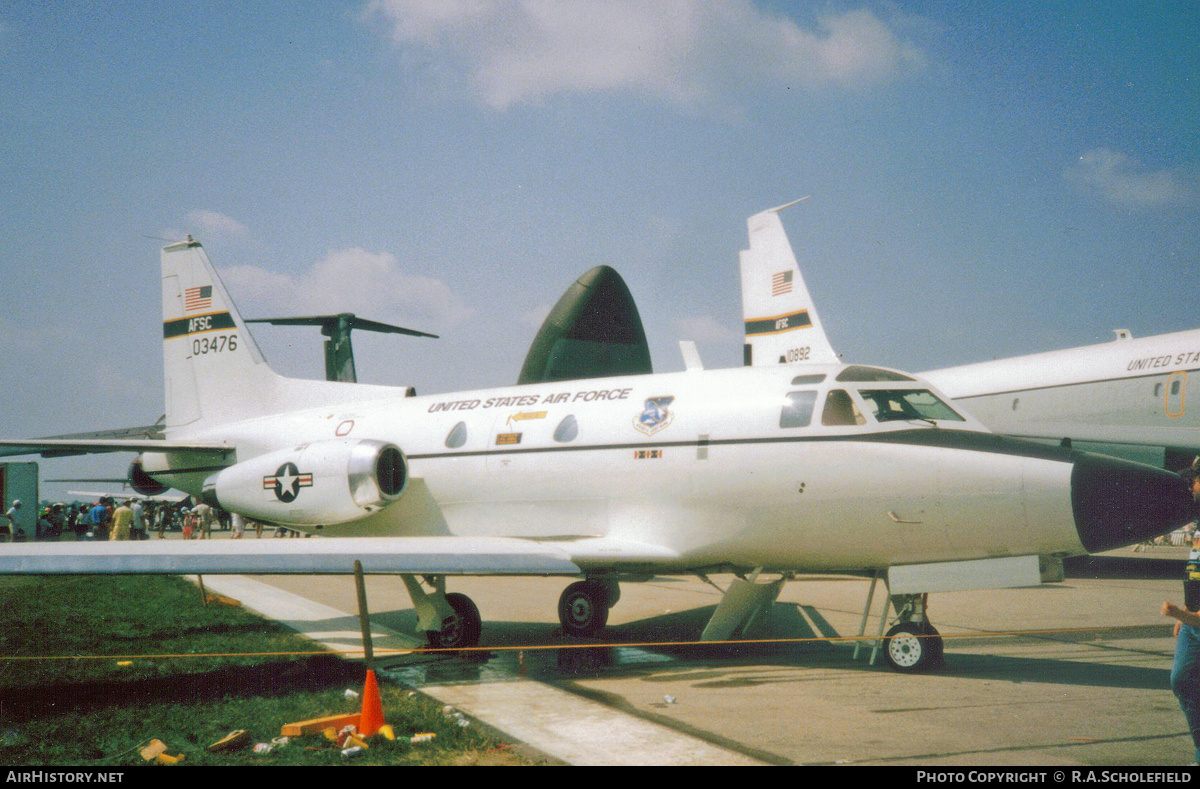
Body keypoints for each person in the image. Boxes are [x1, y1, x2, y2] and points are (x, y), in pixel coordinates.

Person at [1162, 464, 1200, 764]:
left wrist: (1184, 615)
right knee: (1182, 681)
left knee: (1185, 680)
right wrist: (1184, 613)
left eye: (1196, 481)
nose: (1191, 487)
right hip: (1192, 621)